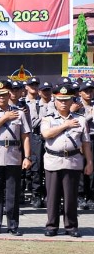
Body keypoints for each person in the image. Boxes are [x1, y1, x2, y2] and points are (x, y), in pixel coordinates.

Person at [0, 79, 33, 236]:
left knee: (13, 192)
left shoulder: (20, 113)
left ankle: (13, 225)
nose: (2, 98)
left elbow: (25, 136)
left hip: (13, 155)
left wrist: (27, 157)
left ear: (9, 94)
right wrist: (5, 117)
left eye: (4, 94)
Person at [41, 83, 93, 237]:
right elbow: (46, 134)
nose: (63, 102)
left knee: (71, 196)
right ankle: (52, 226)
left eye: (67, 99)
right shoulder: (48, 118)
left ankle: (71, 226)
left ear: (72, 101)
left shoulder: (81, 120)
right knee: (53, 196)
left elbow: (86, 143)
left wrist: (89, 162)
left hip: (73, 160)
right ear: (55, 100)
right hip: (53, 160)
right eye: (60, 99)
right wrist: (65, 125)